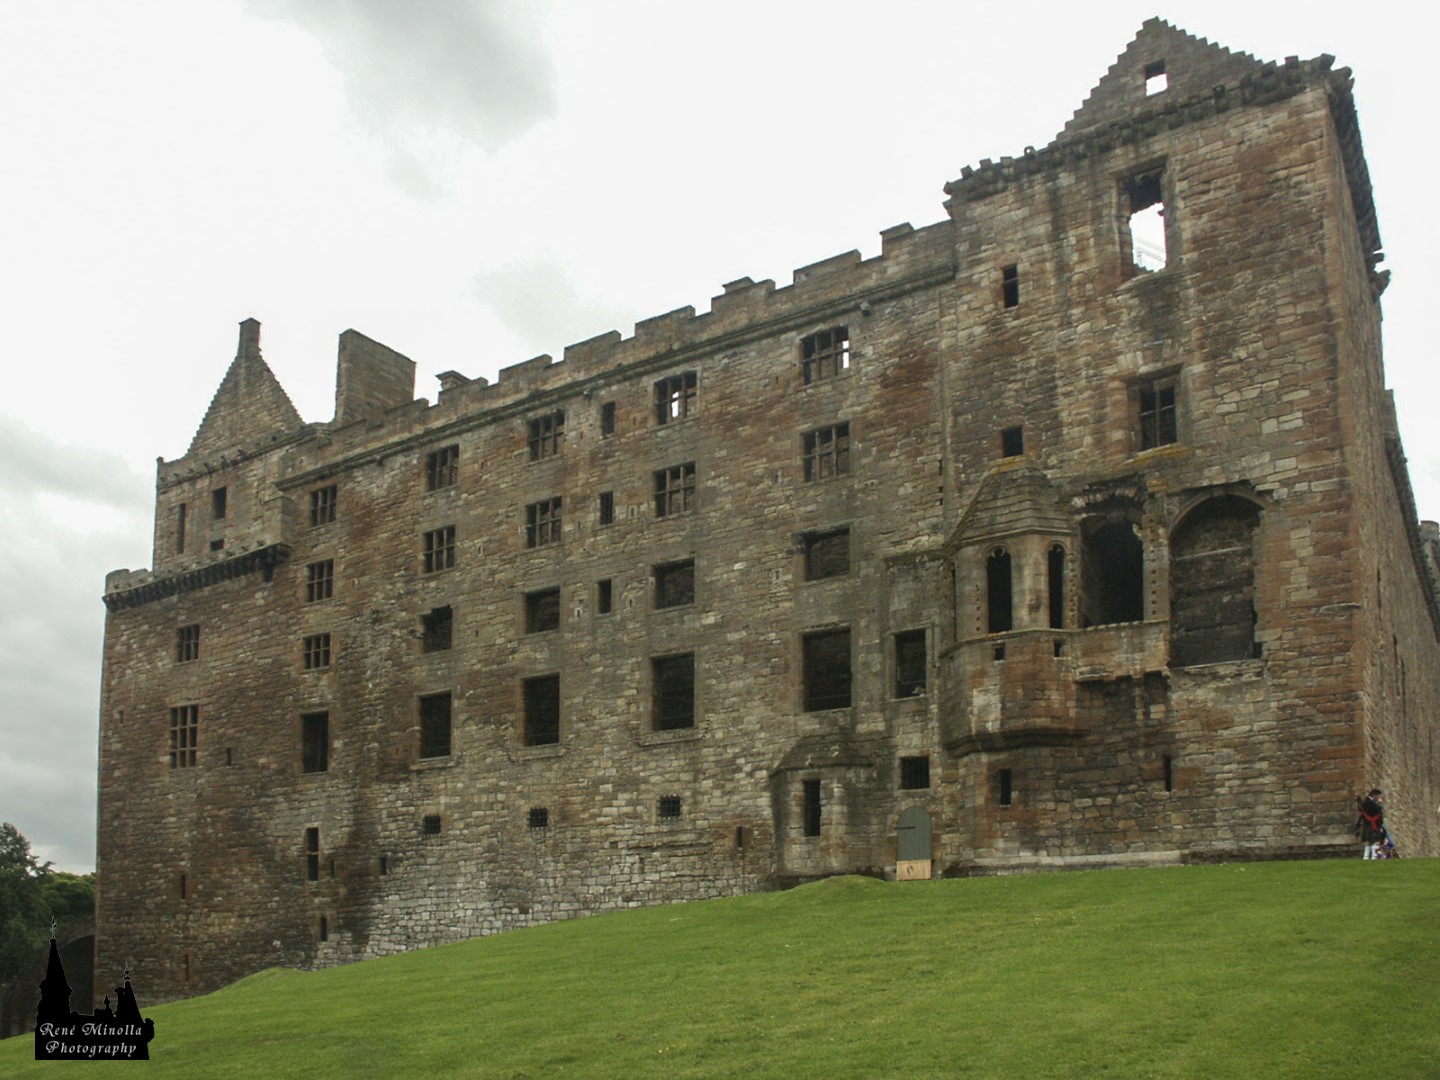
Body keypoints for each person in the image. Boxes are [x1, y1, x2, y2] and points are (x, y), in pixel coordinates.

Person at [1355, 789, 1385, 859]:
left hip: (1369, 825)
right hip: (1370, 825)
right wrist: (1379, 804)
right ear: (1374, 795)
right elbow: (1376, 810)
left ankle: (1366, 857)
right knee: (1373, 842)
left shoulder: (1367, 802)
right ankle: (1373, 857)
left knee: (1369, 843)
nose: (1378, 798)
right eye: (1377, 796)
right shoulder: (1369, 802)